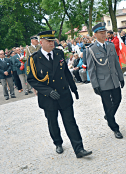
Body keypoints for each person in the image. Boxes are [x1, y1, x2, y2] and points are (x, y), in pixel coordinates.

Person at [26, 30, 92, 158]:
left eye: (53, 40)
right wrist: (48, 91)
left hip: (63, 94)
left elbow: (66, 72)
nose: (52, 43)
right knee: (53, 122)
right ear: (41, 42)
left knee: (70, 121)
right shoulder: (34, 59)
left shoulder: (59, 53)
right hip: (48, 98)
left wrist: (74, 88)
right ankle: (58, 142)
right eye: (49, 41)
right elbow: (31, 79)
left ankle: (79, 148)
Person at [86, 22, 125, 139]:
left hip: (114, 80)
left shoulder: (111, 45)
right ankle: (114, 127)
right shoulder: (91, 50)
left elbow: (116, 63)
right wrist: (95, 85)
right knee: (107, 106)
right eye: (102, 33)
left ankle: (108, 116)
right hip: (102, 83)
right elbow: (91, 69)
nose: (104, 35)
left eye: (105, 33)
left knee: (118, 99)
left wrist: (121, 77)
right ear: (95, 35)